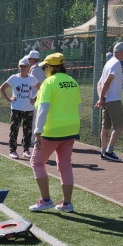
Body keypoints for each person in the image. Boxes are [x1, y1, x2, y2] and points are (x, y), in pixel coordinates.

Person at [28, 53, 80, 213]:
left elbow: (43, 107)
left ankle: (45, 200)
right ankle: (67, 203)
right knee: (65, 165)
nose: (44, 70)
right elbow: (79, 106)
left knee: (37, 162)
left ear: (51, 67)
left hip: (52, 130)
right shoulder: (72, 81)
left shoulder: (48, 83)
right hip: (71, 128)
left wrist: (37, 131)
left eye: (45, 67)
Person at [95, 41, 123, 162]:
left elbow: (99, 83)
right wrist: (101, 98)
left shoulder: (108, 63)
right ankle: (109, 151)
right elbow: (106, 82)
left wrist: (101, 98)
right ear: (120, 52)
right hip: (113, 100)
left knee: (105, 127)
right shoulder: (116, 64)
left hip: (107, 100)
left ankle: (103, 152)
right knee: (120, 126)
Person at [0, 57, 36, 159]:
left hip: (29, 109)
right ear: (18, 67)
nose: (23, 68)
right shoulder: (14, 77)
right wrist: (9, 99)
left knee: (28, 130)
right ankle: (13, 150)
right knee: (14, 129)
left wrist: (35, 98)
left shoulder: (32, 78)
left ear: (28, 67)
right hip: (16, 108)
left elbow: (41, 87)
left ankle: (26, 150)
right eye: (21, 66)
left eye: (25, 66)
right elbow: (2, 88)